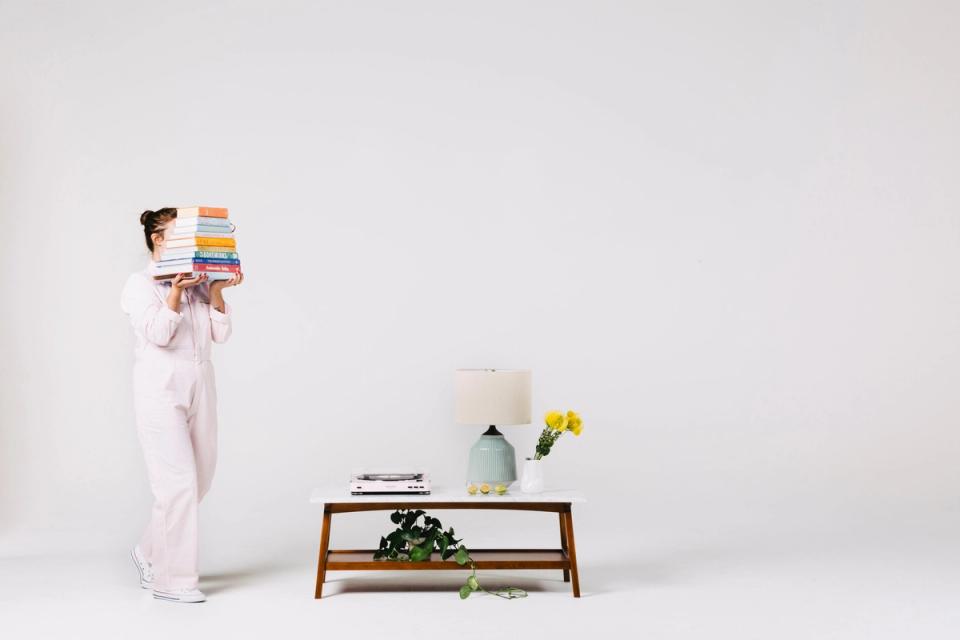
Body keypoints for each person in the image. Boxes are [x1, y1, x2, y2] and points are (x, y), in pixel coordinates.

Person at [120, 207, 242, 603]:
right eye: (179, 234)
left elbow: (220, 336)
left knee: (199, 479)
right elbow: (159, 334)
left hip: (201, 383)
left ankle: (148, 551)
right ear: (158, 239)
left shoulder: (198, 283)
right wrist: (174, 292)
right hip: (160, 388)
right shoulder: (139, 285)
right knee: (177, 484)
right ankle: (174, 582)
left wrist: (216, 292)